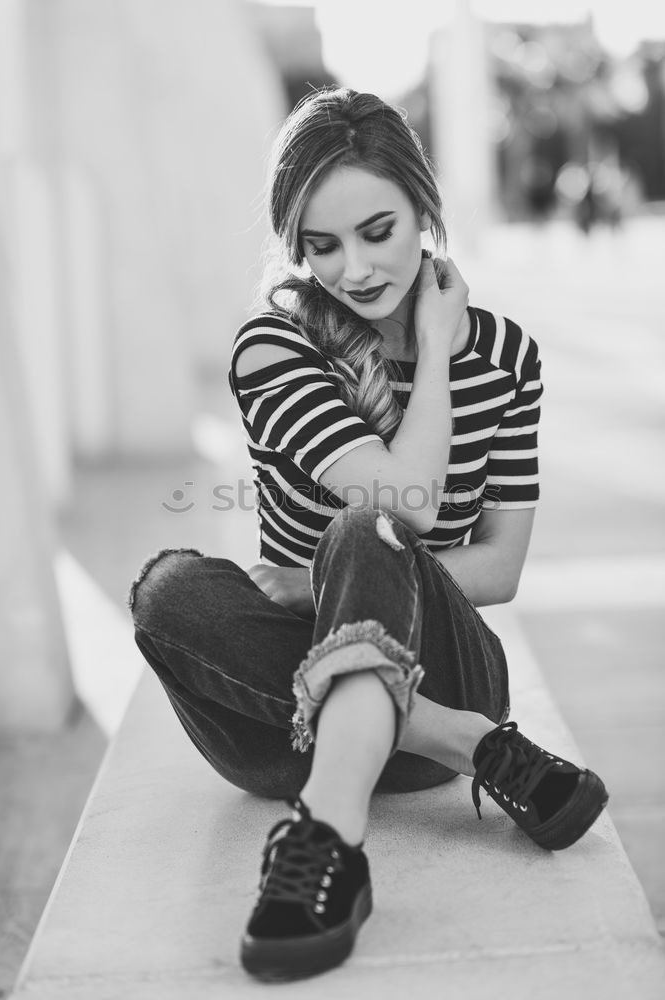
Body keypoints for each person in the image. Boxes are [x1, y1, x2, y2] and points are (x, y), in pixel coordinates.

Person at [127, 87, 609, 984]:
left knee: (363, 531)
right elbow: (416, 503)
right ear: (295, 246)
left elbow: (484, 560)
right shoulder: (273, 348)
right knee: (168, 593)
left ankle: (326, 842)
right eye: (322, 244)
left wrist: (434, 346)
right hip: (289, 728)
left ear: (425, 210)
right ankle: (465, 743)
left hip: (447, 663)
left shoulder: (506, 359)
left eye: (377, 230)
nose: (353, 268)